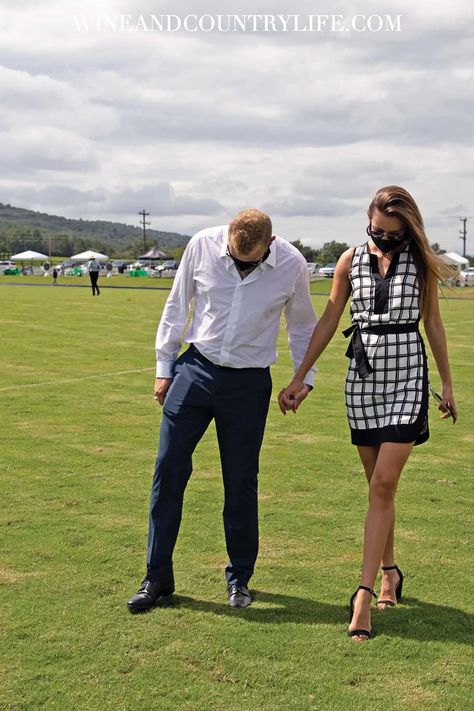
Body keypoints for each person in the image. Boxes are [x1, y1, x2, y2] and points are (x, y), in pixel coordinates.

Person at [279, 186, 457, 641]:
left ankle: (363, 593)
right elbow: (330, 319)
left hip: (407, 378)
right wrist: (301, 377)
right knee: (379, 487)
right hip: (362, 382)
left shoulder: (421, 265)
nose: (383, 240)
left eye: (393, 235)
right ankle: (390, 572)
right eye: (377, 231)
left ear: (409, 231)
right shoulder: (348, 260)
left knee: (383, 483)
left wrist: (448, 384)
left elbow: (432, 322)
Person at [127, 208, 317, 613]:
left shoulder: (292, 264)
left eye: (248, 260)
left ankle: (240, 580)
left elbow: (301, 325)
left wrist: (303, 378)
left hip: (249, 383)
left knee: (241, 482)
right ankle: (157, 576)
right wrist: (164, 369)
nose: (237, 262)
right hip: (195, 370)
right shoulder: (202, 245)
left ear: (271, 242)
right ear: (228, 237)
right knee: (168, 469)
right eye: (232, 255)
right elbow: (177, 305)